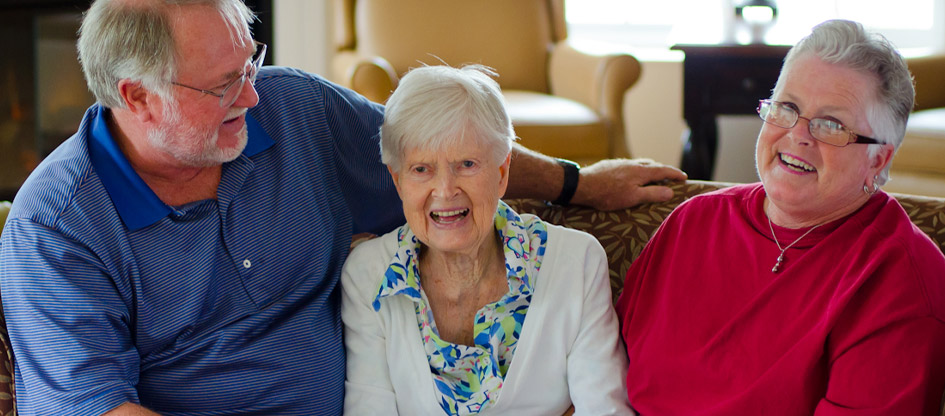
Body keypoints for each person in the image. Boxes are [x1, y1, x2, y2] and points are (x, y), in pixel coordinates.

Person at [0, 0, 684, 414]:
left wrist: (576, 184)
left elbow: (440, 151)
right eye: (222, 85)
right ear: (139, 98)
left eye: (250, 64)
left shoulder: (296, 110)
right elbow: (95, 408)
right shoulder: (57, 227)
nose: (251, 96)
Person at [615, 19, 945, 415]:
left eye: (832, 124)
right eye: (787, 108)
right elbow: (602, 370)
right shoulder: (693, 221)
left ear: (879, 159)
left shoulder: (899, 281)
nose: (798, 135)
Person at [341, 64, 633, 416]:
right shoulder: (367, 277)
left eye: (466, 164)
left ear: (502, 172)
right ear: (398, 180)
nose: (446, 190)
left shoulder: (576, 262)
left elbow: (606, 410)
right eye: (422, 169)